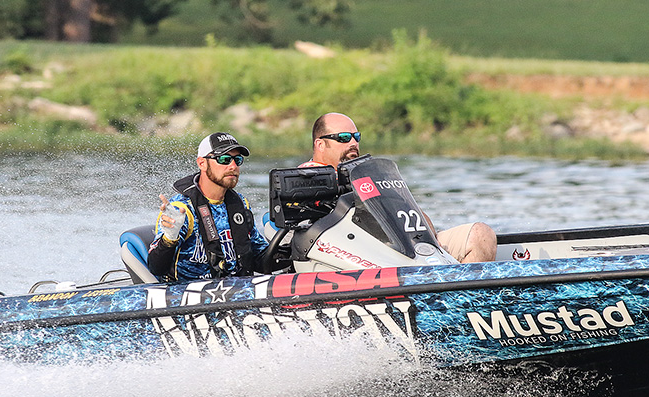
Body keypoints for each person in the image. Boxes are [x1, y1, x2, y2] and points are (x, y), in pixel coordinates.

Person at [301, 112, 497, 263]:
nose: (353, 143)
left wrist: (428, 239)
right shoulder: (307, 178)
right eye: (344, 137)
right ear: (320, 144)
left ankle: (461, 297)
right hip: (367, 255)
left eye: (356, 137)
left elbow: (414, 217)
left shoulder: (366, 175)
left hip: (409, 248)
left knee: (481, 235)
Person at [147, 132, 288, 281]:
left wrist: (297, 248)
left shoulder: (240, 203)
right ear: (202, 163)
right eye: (224, 159)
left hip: (237, 289)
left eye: (237, 160)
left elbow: (260, 258)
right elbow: (156, 268)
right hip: (188, 292)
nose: (233, 166)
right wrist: (169, 239)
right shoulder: (181, 209)